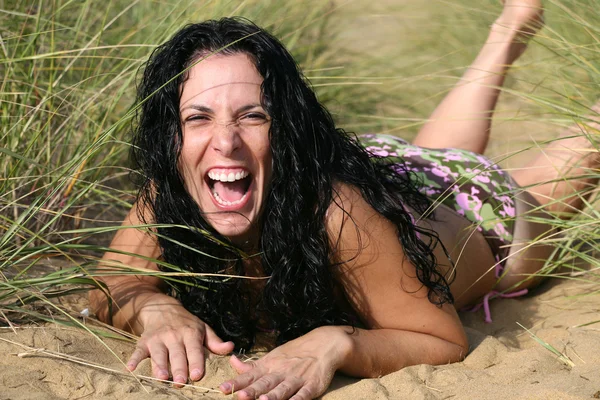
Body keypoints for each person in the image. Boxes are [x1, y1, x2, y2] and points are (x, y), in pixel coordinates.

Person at [90, 1, 599, 399]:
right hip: (390, 170)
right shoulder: (170, 195)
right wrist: (155, 309)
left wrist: (342, 340)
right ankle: (508, 29)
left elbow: (445, 340)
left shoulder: (336, 214)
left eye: (253, 115)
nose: (225, 142)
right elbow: (111, 282)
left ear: (286, 129)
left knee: (578, 154)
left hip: (482, 215)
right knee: (427, 155)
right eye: (198, 117)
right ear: (170, 138)